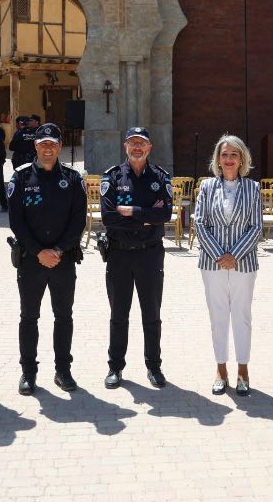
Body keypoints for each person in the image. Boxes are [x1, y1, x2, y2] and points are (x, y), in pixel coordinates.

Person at [7, 122, 86, 395]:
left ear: (60, 146)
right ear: (35, 146)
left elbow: (78, 221)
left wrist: (59, 251)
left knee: (63, 317)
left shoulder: (74, 180)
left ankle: (63, 371)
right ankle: (28, 372)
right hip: (31, 260)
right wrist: (39, 251)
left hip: (63, 260)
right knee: (29, 317)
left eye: (53, 144)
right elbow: (16, 220)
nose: (48, 148)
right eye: (43, 144)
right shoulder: (20, 178)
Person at [99, 126, 172, 389]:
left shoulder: (161, 178)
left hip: (150, 256)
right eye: (133, 143)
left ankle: (154, 367)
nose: (137, 147)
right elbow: (108, 217)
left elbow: (165, 215)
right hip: (119, 255)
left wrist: (131, 211)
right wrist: (145, 217)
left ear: (150, 147)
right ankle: (115, 367)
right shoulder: (112, 178)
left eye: (142, 143)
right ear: (125, 147)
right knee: (119, 314)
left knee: (151, 315)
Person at [191, 134, 263, 396]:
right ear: (217, 160)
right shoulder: (207, 187)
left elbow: (256, 226)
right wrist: (220, 254)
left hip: (244, 264)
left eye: (234, 154)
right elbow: (199, 222)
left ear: (242, 158)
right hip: (212, 263)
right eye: (224, 155)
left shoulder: (253, 188)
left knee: (242, 317)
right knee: (217, 318)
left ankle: (243, 370)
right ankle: (221, 369)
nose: (229, 159)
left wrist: (235, 255)